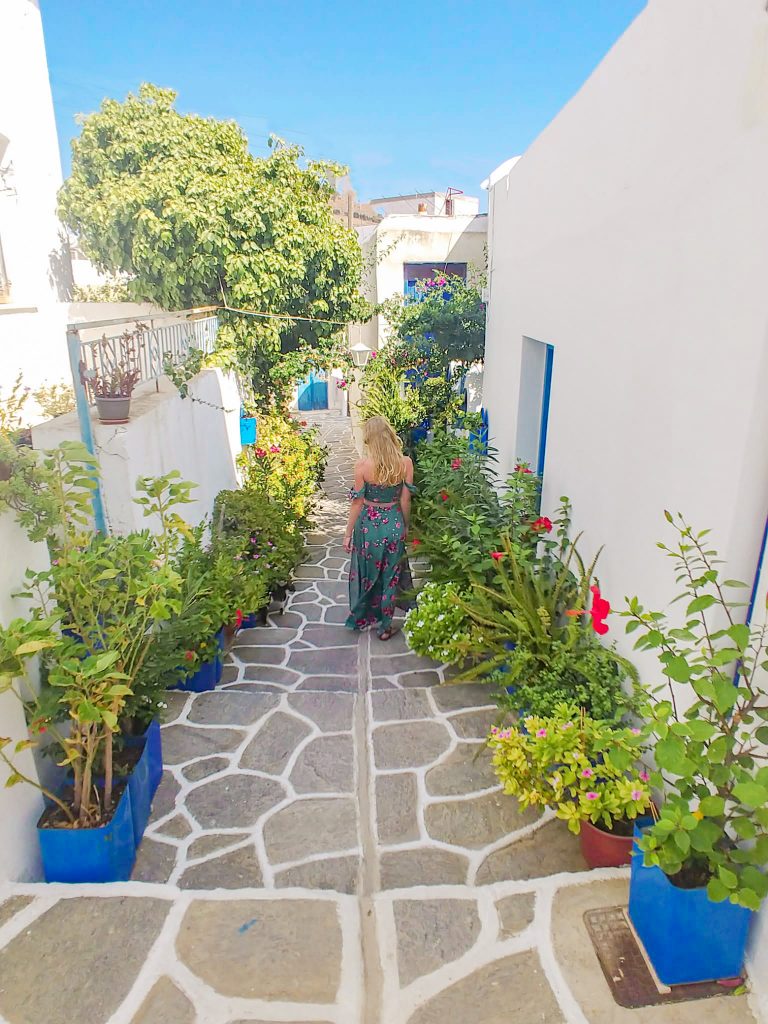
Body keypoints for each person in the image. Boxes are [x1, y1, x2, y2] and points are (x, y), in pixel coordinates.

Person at [343, 415, 415, 640]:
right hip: (393, 523)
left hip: (368, 528)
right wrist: (405, 525)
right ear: (390, 435)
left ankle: (365, 615)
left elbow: (357, 502)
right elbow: (405, 500)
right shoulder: (405, 463)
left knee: (369, 574)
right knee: (391, 577)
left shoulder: (363, 466)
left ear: (369, 440)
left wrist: (347, 533)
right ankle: (385, 627)